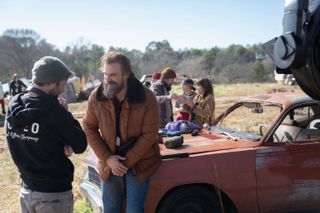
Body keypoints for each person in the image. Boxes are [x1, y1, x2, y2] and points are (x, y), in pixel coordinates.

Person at [5, 56, 87, 213]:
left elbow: (44, 136)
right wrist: (67, 114)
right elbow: (80, 144)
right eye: (63, 83)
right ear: (51, 83)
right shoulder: (55, 111)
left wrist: (62, 139)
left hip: (26, 191)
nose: (64, 88)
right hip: (53, 195)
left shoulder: (14, 104)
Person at [82, 52, 161, 213]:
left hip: (140, 163)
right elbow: (88, 127)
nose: (108, 79)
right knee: (109, 209)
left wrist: (124, 163)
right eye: (105, 74)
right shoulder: (96, 96)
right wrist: (108, 158)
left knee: (134, 210)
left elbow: (150, 135)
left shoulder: (146, 97)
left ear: (126, 74)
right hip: (109, 163)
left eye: (113, 75)